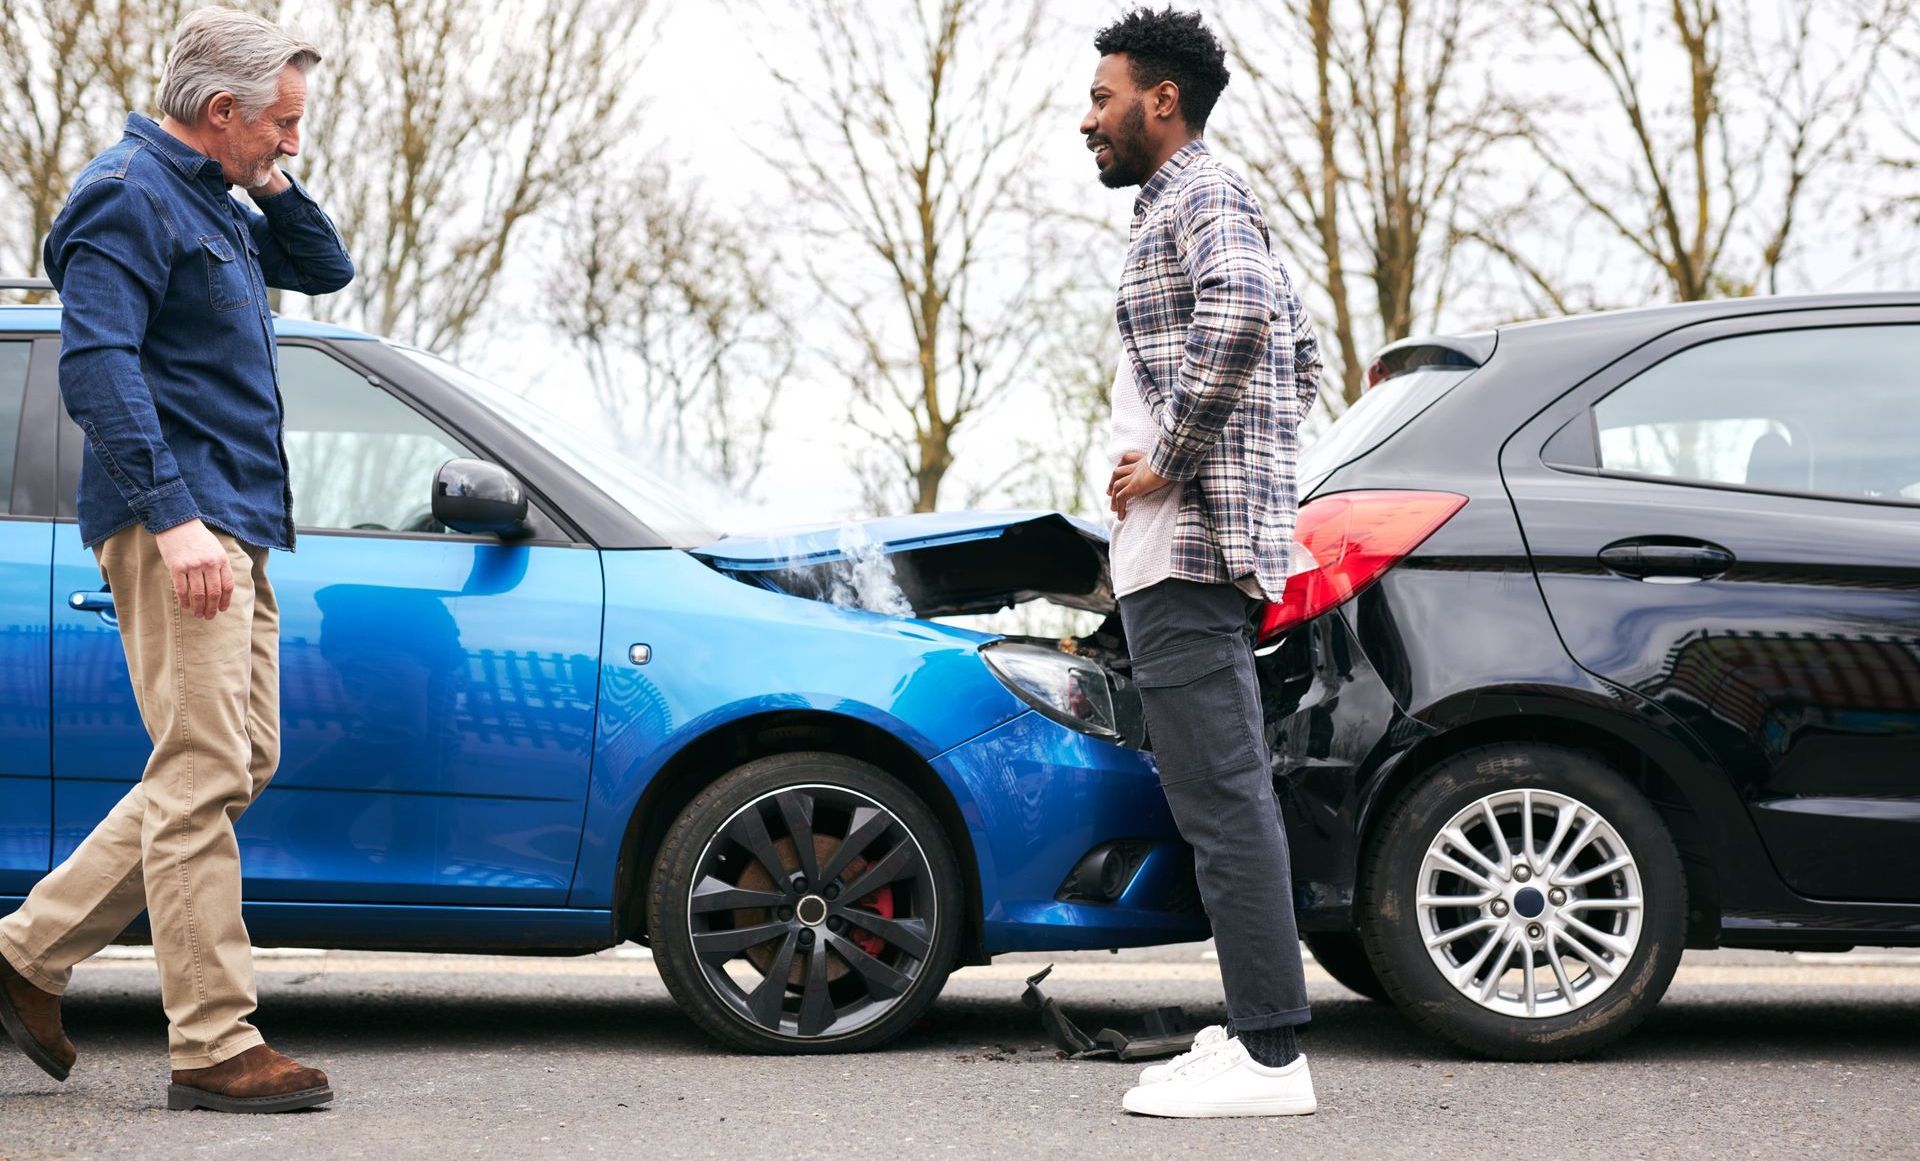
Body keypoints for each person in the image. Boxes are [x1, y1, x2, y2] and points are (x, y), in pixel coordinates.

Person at [0, 6, 353, 1114]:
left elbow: (328, 268)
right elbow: (95, 366)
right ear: (217, 111)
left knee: (237, 759)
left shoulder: (218, 201)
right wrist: (173, 518)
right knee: (202, 772)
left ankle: (26, 951)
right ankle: (213, 1041)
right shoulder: (125, 194)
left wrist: (272, 179)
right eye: (280, 124)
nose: (290, 140)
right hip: (183, 524)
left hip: (237, 519)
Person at [1080, 6, 1324, 1119]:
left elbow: (1244, 318)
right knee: (1217, 798)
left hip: (1185, 549)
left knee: (1223, 800)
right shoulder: (1191, 205)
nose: (1088, 118)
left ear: (1160, 100)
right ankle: (1257, 1036)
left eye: (1103, 96)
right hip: (1181, 545)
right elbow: (1300, 345)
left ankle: (1272, 1057)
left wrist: (1174, 461)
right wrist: (1244, 466)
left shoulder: (1205, 192)